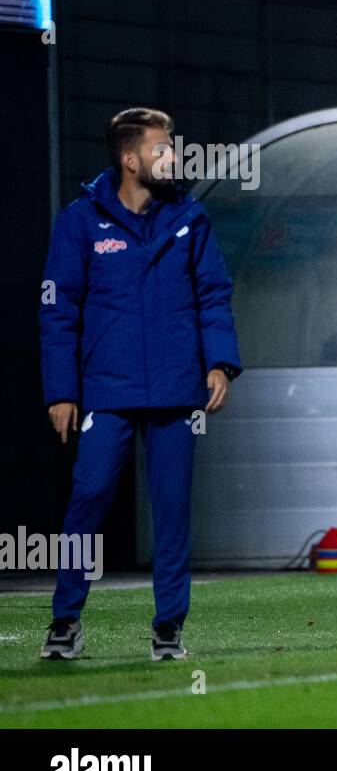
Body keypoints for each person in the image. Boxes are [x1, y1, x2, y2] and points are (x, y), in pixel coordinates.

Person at [39, 107, 241, 660]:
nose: (173, 157)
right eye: (162, 149)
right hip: (107, 391)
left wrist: (220, 362)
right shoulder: (80, 221)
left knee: (172, 510)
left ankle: (169, 626)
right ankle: (65, 619)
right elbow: (58, 311)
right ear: (130, 159)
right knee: (89, 496)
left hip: (177, 390)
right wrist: (62, 391)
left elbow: (213, 294)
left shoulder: (191, 217)